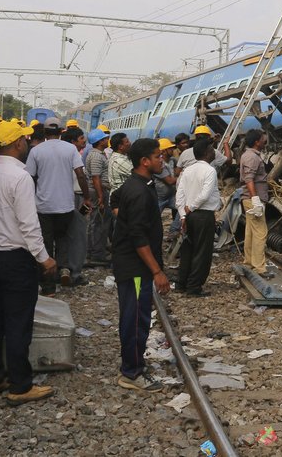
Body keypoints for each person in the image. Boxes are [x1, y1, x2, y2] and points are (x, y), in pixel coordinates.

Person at [0, 119, 57, 405]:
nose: (26, 144)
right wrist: (44, 259)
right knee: (19, 323)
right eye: (24, 140)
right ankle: (21, 386)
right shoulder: (20, 178)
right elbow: (29, 225)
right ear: (18, 143)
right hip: (16, 259)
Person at [110, 138, 169, 392]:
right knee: (135, 320)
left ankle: (135, 364)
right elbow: (138, 237)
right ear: (145, 161)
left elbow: (114, 199)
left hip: (135, 266)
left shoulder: (139, 184)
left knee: (139, 317)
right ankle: (131, 373)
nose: (162, 159)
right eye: (158, 156)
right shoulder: (138, 192)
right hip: (134, 268)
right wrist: (157, 271)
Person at [24, 117, 91, 294]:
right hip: (65, 205)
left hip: (43, 205)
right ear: (61, 131)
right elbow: (81, 174)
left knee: (45, 242)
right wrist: (87, 197)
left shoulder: (36, 151)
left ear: (45, 133)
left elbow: (29, 177)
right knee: (62, 238)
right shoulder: (70, 149)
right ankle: (64, 269)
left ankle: (48, 285)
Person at [174, 139, 220, 296]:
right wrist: (191, 207)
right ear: (207, 153)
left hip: (188, 216)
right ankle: (194, 287)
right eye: (212, 149)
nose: (214, 152)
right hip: (203, 215)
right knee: (202, 252)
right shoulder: (210, 171)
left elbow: (179, 195)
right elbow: (205, 195)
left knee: (188, 249)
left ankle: (181, 283)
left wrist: (183, 215)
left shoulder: (187, 170)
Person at [61, 126, 90, 285]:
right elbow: (80, 176)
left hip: (61, 198)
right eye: (81, 138)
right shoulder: (72, 153)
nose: (84, 141)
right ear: (73, 141)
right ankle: (75, 273)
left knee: (63, 236)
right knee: (78, 236)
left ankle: (63, 268)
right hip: (75, 197)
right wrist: (87, 198)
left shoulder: (57, 153)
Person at [239, 129, 269, 275]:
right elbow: (249, 178)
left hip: (249, 199)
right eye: (263, 138)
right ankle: (259, 268)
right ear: (257, 142)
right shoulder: (252, 157)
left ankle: (250, 262)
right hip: (253, 200)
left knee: (250, 232)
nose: (265, 140)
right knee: (260, 233)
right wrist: (256, 200)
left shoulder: (248, 155)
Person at [85, 128, 113, 266]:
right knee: (99, 222)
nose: (107, 140)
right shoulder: (96, 156)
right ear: (99, 141)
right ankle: (97, 254)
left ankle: (93, 251)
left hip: (98, 191)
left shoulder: (98, 154)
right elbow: (96, 178)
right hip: (98, 192)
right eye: (104, 138)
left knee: (96, 221)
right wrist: (101, 197)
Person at [108, 133, 133, 197]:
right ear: (120, 146)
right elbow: (138, 174)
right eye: (127, 142)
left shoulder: (120, 156)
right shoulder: (119, 160)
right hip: (121, 198)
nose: (130, 143)